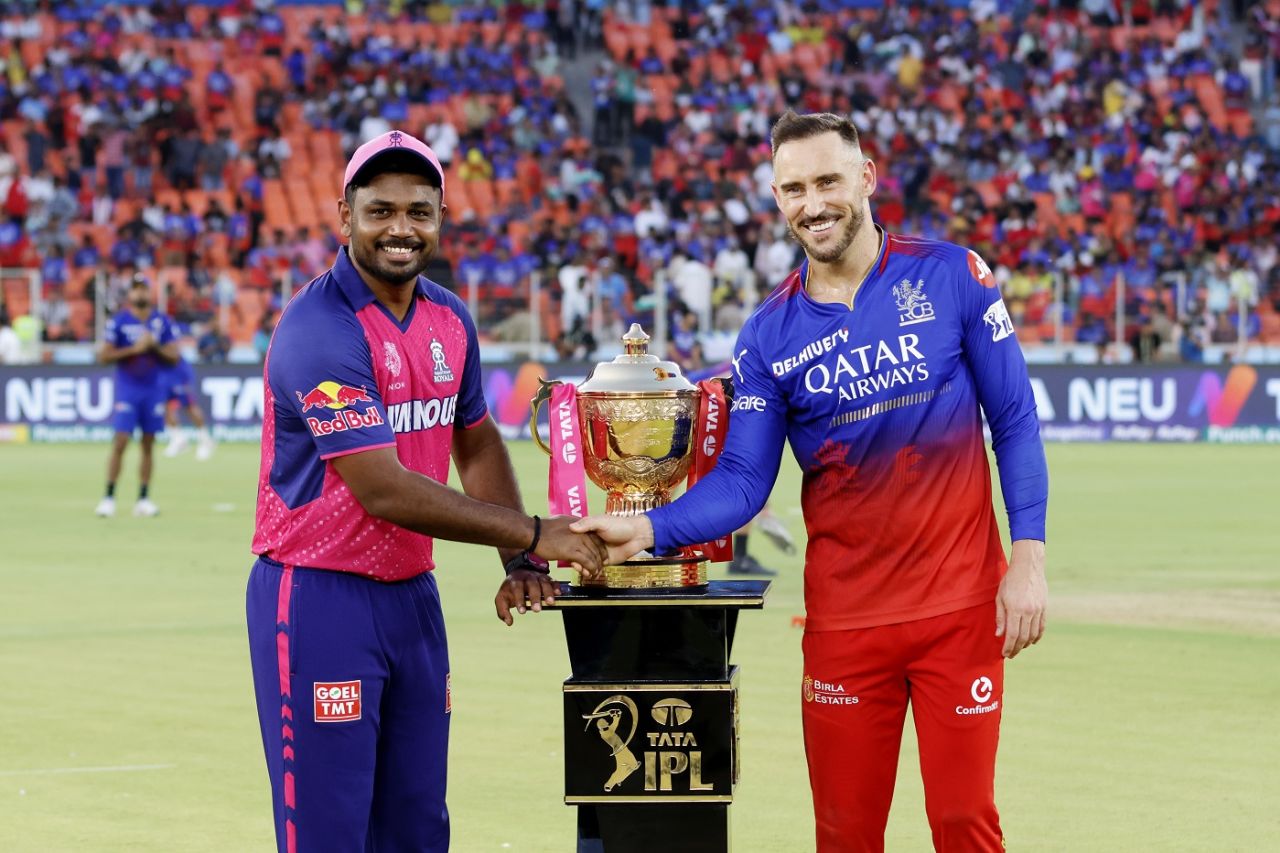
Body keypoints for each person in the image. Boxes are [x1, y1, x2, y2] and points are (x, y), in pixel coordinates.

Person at [573, 112, 1048, 852]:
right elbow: (743, 482)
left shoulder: (955, 275)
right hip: (845, 625)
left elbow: (1014, 420)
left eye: (828, 181)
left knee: (964, 822)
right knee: (845, 834)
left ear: (866, 178)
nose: (813, 203)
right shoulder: (768, 334)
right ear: (776, 197)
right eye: (794, 188)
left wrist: (1029, 559)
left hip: (958, 610)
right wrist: (646, 527)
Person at [245, 130, 607, 853]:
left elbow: (475, 439)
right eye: (380, 211)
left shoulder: (448, 316)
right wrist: (535, 532)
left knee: (417, 827)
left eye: (418, 211)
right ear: (344, 217)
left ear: (441, 218)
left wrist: (521, 563)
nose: (400, 229)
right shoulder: (319, 328)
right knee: (330, 833)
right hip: (319, 597)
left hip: (412, 595)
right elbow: (383, 489)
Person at [96, 276, 179, 518]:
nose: (140, 293)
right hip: (128, 389)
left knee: (148, 444)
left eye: (143, 289)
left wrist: (154, 346)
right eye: (136, 289)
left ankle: (143, 499)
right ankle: (109, 497)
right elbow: (103, 356)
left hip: (153, 390)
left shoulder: (161, 321)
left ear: (149, 292)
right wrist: (134, 349)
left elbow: (174, 357)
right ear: (130, 294)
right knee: (121, 441)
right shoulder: (119, 321)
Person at [161, 334, 216, 460]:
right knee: (166, 407)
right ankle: (178, 440)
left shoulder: (164, 330)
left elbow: (174, 354)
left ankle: (205, 440)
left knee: (189, 406)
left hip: (179, 373)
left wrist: (153, 348)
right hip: (164, 373)